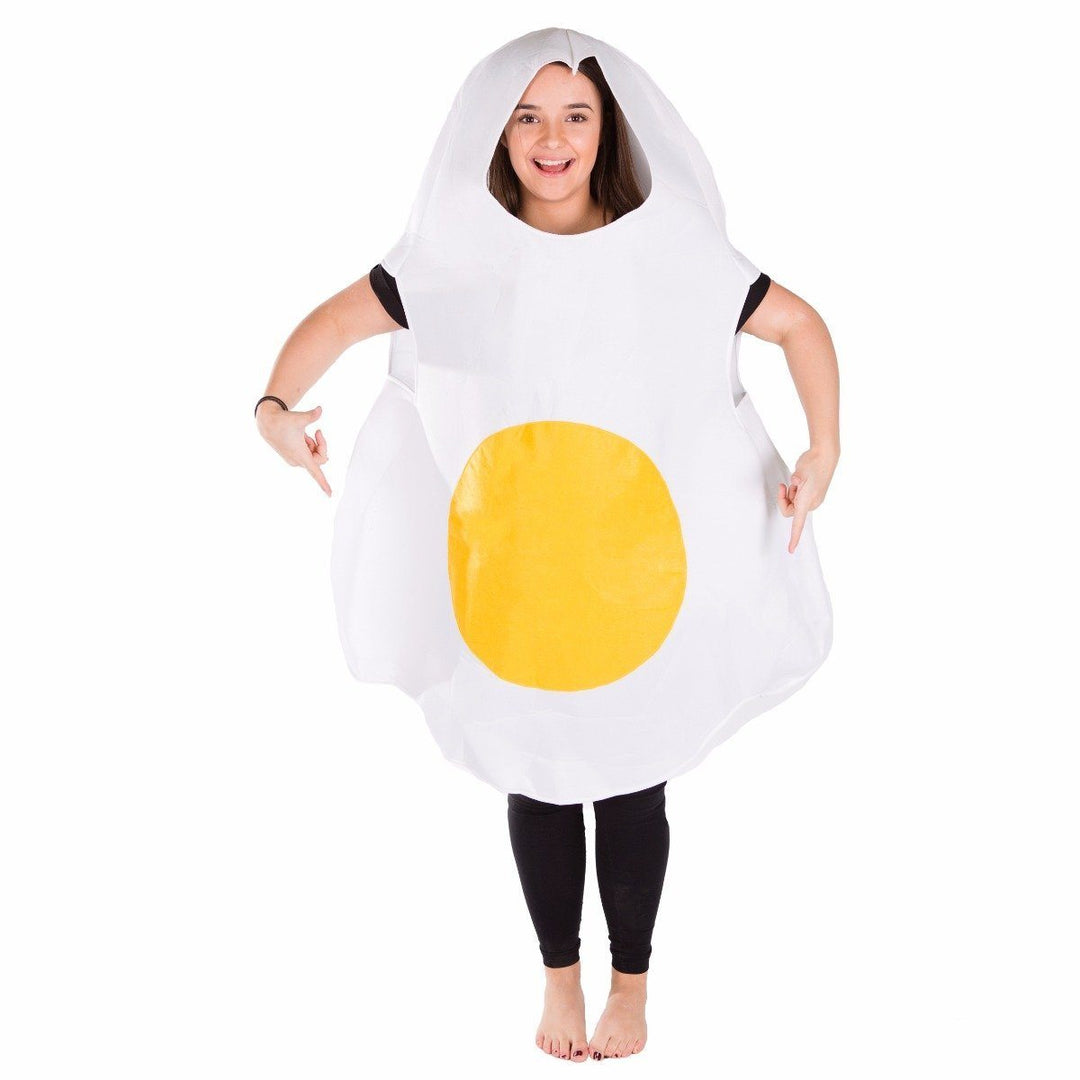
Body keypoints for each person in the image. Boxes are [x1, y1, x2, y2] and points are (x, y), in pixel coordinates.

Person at [256, 43, 839, 1063]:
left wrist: (822, 449)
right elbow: (339, 321)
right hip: (515, 572)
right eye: (526, 115)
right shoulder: (455, 257)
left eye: (575, 114)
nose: (551, 138)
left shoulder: (670, 252)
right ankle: (559, 980)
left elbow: (797, 325)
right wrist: (273, 406)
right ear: (495, 130)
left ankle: (632, 989)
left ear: (609, 128)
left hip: (638, 562)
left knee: (632, 777)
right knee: (537, 773)